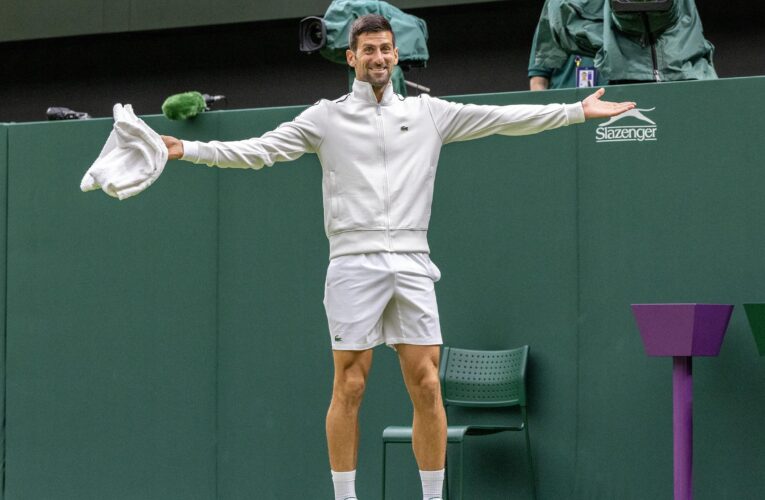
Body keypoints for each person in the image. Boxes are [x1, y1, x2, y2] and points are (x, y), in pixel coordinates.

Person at [161, 14, 634, 500]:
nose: (379, 58)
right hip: (352, 262)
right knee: (349, 384)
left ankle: (432, 497)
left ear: (395, 54)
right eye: (369, 50)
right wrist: (187, 148)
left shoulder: (430, 113)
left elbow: (503, 120)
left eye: (386, 49)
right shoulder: (326, 116)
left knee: (427, 383)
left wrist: (577, 110)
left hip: (411, 261)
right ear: (351, 58)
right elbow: (259, 150)